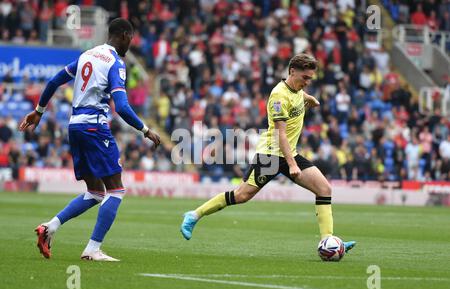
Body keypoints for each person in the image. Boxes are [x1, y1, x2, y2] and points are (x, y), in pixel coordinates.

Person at [180, 53, 356, 255]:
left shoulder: (297, 89)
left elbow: (298, 97)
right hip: (271, 154)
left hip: (289, 152)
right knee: (242, 195)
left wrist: (310, 99)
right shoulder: (278, 96)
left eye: (310, 79)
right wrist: (292, 164)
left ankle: (329, 242)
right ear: (292, 71)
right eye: (305, 78)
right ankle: (194, 215)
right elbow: (281, 134)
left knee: (324, 189)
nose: (307, 83)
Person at [19, 18, 161, 262]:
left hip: (75, 127)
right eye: (131, 38)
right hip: (95, 127)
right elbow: (123, 107)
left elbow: (54, 81)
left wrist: (39, 111)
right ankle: (93, 249)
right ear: (125, 35)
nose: (131, 44)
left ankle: (49, 227)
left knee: (95, 192)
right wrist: (145, 130)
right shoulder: (116, 63)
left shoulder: (87, 55)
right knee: (116, 190)